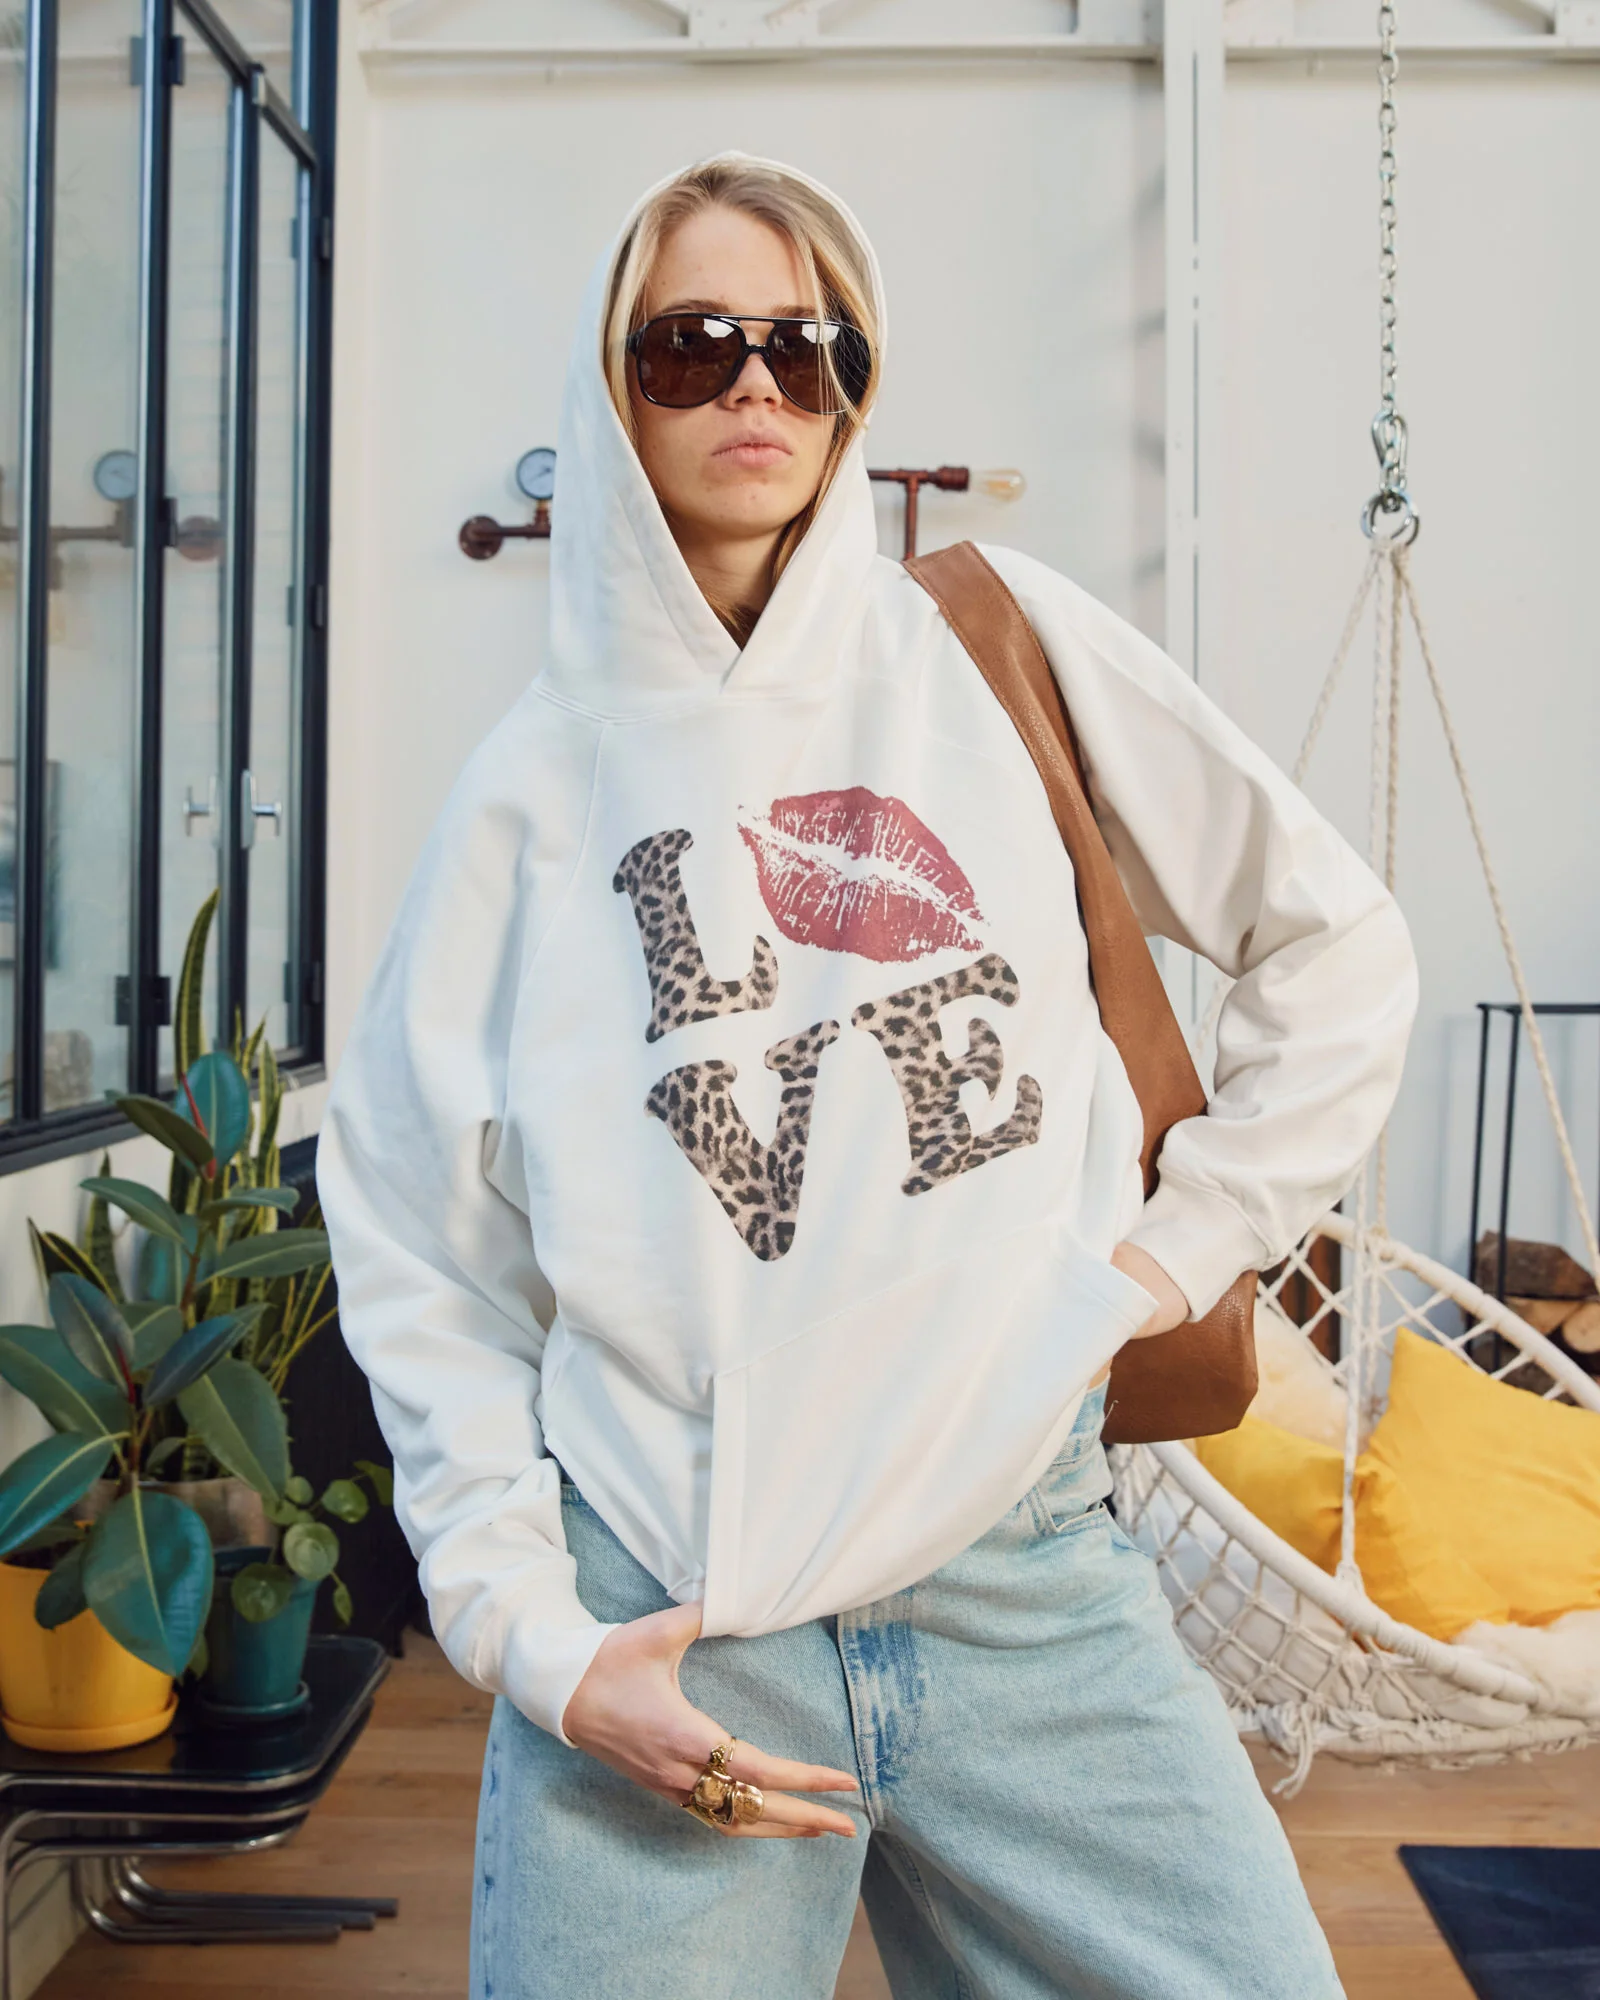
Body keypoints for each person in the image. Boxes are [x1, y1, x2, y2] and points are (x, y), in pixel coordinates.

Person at [318, 152, 1416, 1999]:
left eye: (810, 346)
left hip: (1026, 1585)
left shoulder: (991, 644)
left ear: (853, 387)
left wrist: (1171, 1258)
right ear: (612, 386)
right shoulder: (529, 790)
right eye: (695, 344)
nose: (759, 384)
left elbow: (1341, 946)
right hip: (676, 1621)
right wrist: (537, 1644)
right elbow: (421, 1251)